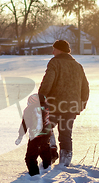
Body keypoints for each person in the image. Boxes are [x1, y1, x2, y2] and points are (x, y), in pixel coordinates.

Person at [38, 39, 89, 167]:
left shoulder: (54, 63)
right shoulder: (78, 66)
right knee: (66, 135)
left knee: (45, 129)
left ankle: (52, 151)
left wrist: (41, 97)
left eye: (54, 49)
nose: (52, 51)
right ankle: (64, 164)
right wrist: (82, 103)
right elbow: (85, 87)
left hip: (54, 105)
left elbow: (47, 82)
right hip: (71, 107)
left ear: (59, 50)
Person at [15, 93, 52, 176]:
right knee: (44, 150)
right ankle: (47, 167)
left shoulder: (29, 109)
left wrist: (20, 135)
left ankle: (34, 175)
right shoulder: (47, 107)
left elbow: (25, 124)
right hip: (46, 134)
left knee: (30, 157)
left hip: (35, 136)